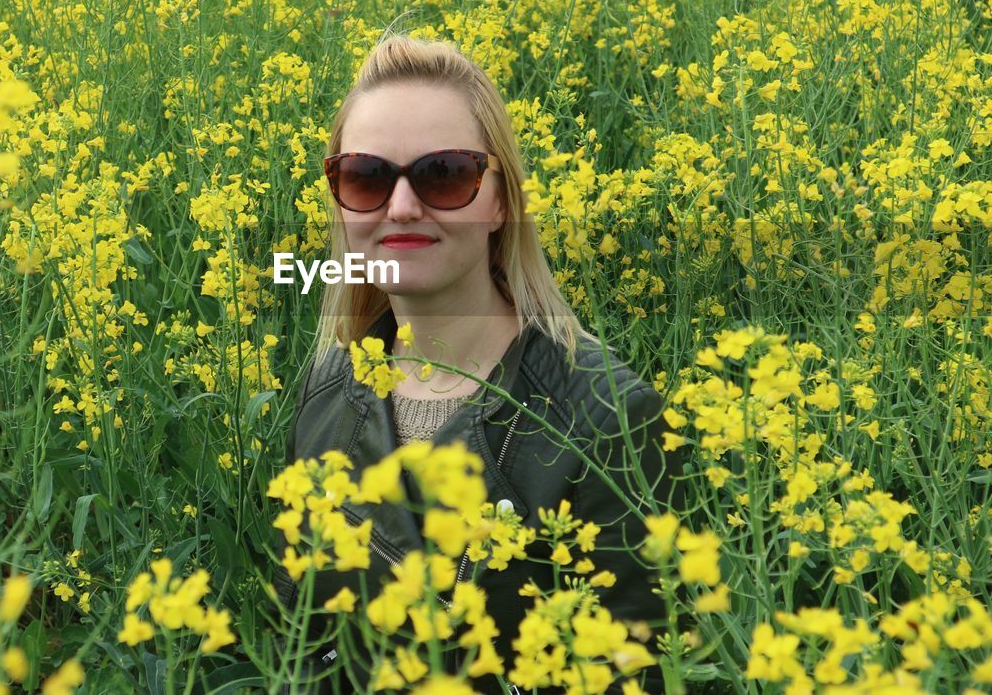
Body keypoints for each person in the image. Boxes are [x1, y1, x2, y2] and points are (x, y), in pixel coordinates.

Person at [270, 34, 686, 693]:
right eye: (366, 177)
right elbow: (304, 653)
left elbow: (638, 673)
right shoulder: (327, 393)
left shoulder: (610, 421)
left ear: (501, 200)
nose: (402, 206)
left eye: (445, 175)